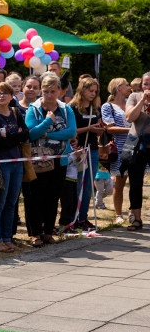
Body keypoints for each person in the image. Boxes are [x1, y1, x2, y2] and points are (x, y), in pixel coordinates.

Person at [25, 73, 76, 246]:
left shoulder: (66, 109)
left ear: (59, 92)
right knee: (36, 197)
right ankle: (35, 233)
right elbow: (31, 133)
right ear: (41, 91)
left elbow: (71, 132)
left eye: (53, 91)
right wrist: (47, 122)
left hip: (59, 160)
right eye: (46, 91)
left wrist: (48, 133)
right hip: (39, 161)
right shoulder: (33, 109)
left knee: (53, 198)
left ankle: (48, 231)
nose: (49, 95)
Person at [0, 82, 30, 252]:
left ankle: (7, 237)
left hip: (16, 162)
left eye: (5, 93)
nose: (2, 96)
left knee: (12, 203)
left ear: (12, 96)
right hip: (1, 163)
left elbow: (26, 134)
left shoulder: (16, 112)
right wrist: (15, 136)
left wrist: (9, 135)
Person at [69, 76, 104, 230]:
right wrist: (89, 129)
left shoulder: (95, 107)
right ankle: (73, 218)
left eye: (95, 92)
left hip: (93, 149)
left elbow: (98, 125)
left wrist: (100, 129)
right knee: (77, 185)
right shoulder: (72, 107)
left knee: (89, 186)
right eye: (90, 91)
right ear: (82, 89)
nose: (93, 94)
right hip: (78, 150)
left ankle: (83, 217)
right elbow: (71, 130)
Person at [103, 78, 132, 225]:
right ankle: (119, 214)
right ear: (119, 87)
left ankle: (134, 213)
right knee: (120, 183)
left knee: (136, 182)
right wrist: (131, 130)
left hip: (136, 146)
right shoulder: (108, 106)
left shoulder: (131, 103)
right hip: (120, 147)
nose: (129, 87)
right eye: (127, 85)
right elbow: (109, 128)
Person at [123, 90, 150, 230]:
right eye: (145, 83)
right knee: (135, 182)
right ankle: (136, 219)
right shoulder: (134, 97)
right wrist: (142, 102)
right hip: (138, 145)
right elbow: (129, 118)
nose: (148, 87)